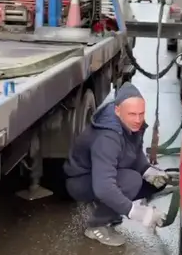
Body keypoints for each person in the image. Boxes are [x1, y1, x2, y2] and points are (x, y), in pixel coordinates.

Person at [64, 82, 170, 246]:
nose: (138, 120)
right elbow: (104, 187)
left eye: (141, 114)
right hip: (80, 181)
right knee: (131, 181)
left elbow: (134, 152)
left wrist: (147, 170)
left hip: (100, 174)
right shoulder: (107, 138)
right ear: (117, 111)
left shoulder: (130, 124)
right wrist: (137, 212)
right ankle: (96, 226)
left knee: (152, 183)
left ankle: (112, 207)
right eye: (132, 114)